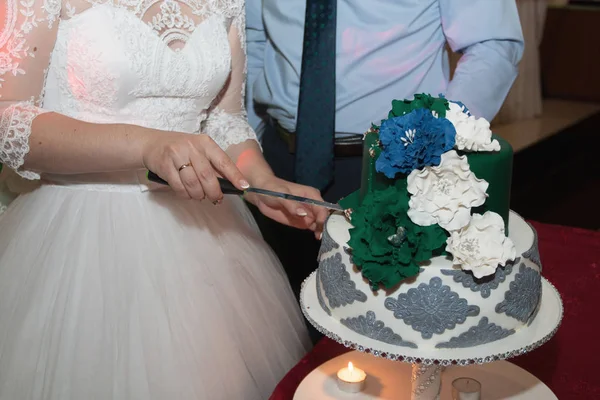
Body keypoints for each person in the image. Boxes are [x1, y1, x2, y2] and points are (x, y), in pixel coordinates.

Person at [0, 0, 329, 398]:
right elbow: (9, 121)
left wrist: (256, 181)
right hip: (81, 234)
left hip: (207, 237)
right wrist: (146, 144)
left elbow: (222, 117)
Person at [245, 0, 525, 298]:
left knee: (383, 320)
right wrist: (250, 150)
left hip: (393, 170)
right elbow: (254, 40)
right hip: (275, 162)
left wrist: (436, 144)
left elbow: (491, 45)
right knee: (284, 313)